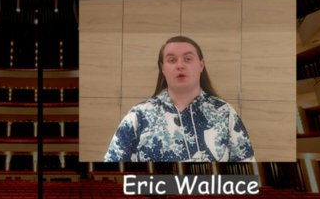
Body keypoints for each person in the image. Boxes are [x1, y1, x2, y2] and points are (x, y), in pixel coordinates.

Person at [104, 36, 255, 162]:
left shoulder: (224, 113)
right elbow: (112, 170)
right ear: (163, 68)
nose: (180, 65)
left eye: (188, 59)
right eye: (172, 60)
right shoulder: (139, 115)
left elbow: (247, 172)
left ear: (201, 65)